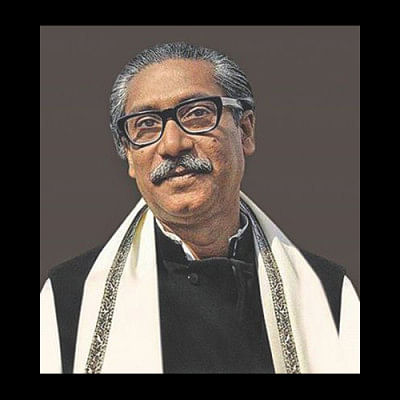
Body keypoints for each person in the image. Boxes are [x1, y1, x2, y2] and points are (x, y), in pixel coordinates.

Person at [40, 41, 360, 374]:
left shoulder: (329, 296)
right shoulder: (69, 301)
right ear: (130, 157)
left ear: (245, 130)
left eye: (196, 114)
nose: (172, 144)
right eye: (146, 124)